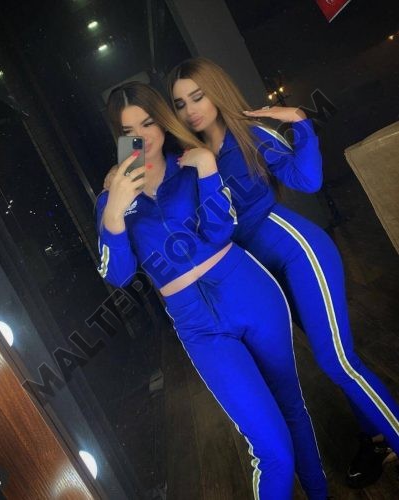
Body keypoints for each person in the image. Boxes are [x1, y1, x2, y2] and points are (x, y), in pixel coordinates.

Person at [167, 56, 399, 488]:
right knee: (334, 359)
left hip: (298, 252)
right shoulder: (188, 161)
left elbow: (306, 180)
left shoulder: (249, 135)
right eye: (180, 103)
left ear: (216, 92)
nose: (190, 109)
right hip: (263, 277)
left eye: (197, 96)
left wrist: (300, 123)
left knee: (337, 361)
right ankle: (376, 437)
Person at [97, 81, 328, 499]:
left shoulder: (190, 164)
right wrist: (114, 209)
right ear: (118, 137)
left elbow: (221, 230)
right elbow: (119, 275)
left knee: (292, 409)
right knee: (272, 451)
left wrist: (206, 168)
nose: (142, 136)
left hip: (250, 293)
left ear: (163, 121)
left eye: (149, 123)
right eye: (128, 130)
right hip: (198, 326)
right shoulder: (113, 197)